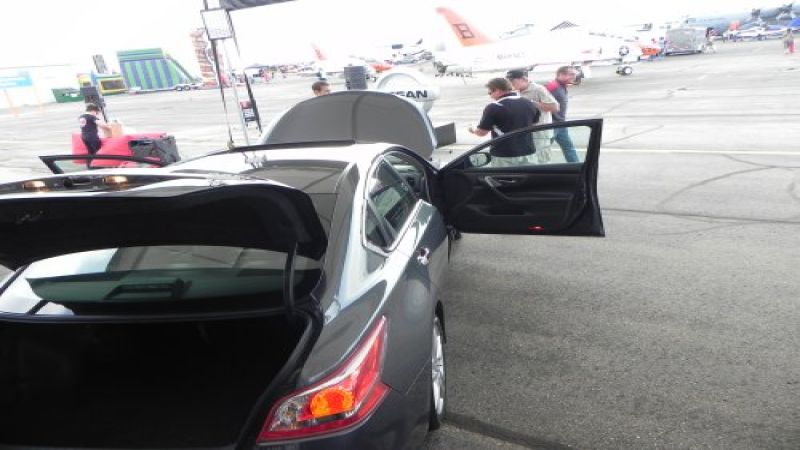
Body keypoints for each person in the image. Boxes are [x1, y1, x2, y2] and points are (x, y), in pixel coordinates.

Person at [468, 77, 539, 167]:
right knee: (529, 180)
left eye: (490, 92)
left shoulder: (494, 107)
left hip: (504, 154)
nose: (490, 96)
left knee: (503, 180)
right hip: (528, 151)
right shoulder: (528, 103)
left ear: (497, 90)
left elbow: (482, 132)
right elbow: (534, 123)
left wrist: (473, 129)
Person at [506, 69, 560, 163]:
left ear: (524, 78)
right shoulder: (517, 92)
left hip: (540, 131)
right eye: (508, 81)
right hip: (526, 131)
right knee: (529, 160)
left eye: (512, 81)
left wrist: (530, 103)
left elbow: (555, 107)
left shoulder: (538, 89)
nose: (510, 84)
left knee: (542, 160)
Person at [544, 66, 580, 163]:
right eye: (572, 74)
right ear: (561, 75)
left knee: (569, 148)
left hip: (561, 124)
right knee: (543, 151)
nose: (574, 77)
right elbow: (541, 103)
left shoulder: (562, 86)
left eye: (575, 74)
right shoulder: (552, 87)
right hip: (551, 126)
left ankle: (577, 169)